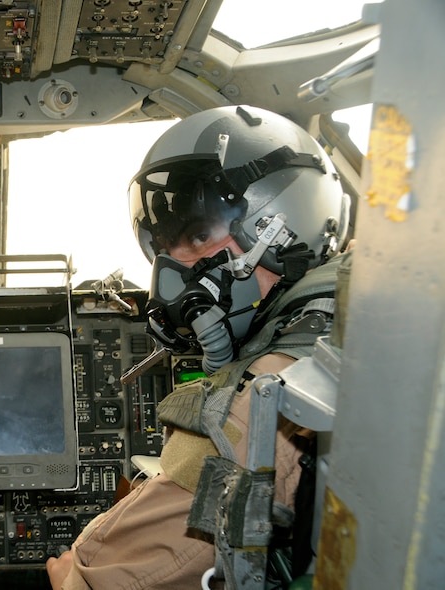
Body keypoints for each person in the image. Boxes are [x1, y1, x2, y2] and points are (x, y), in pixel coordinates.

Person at [46, 105, 352, 589]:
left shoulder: (296, 363)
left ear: (281, 222)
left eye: (199, 235)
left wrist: (77, 572)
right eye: (167, 247)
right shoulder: (338, 308)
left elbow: (120, 574)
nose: (176, 272)